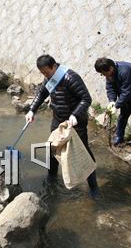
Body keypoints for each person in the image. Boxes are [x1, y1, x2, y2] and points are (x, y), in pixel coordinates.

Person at [25, 54, 99, 198]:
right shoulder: (50, 77)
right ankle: (52, 179)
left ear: (54, 66)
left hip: (74, 123)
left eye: (46, 72)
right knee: (52, 149)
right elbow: (42, 93)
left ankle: (94, 188)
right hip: (58, 120)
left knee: (83, 153)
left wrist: (75, 115)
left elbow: (86, 99)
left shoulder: (70, 77)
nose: (45, 75)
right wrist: (31, 110)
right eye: (42, 73)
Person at [94, 57, 131, 154]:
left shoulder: (125, 71)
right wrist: (112, 101)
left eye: (104, 73)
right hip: (127, 93)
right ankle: (119, 137)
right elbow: (110, 88)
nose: (104, 76)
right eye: (102, 74)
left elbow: (127, 91)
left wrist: (117, 105)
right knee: (123, 115)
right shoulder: (109, 74)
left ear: (110, 68)